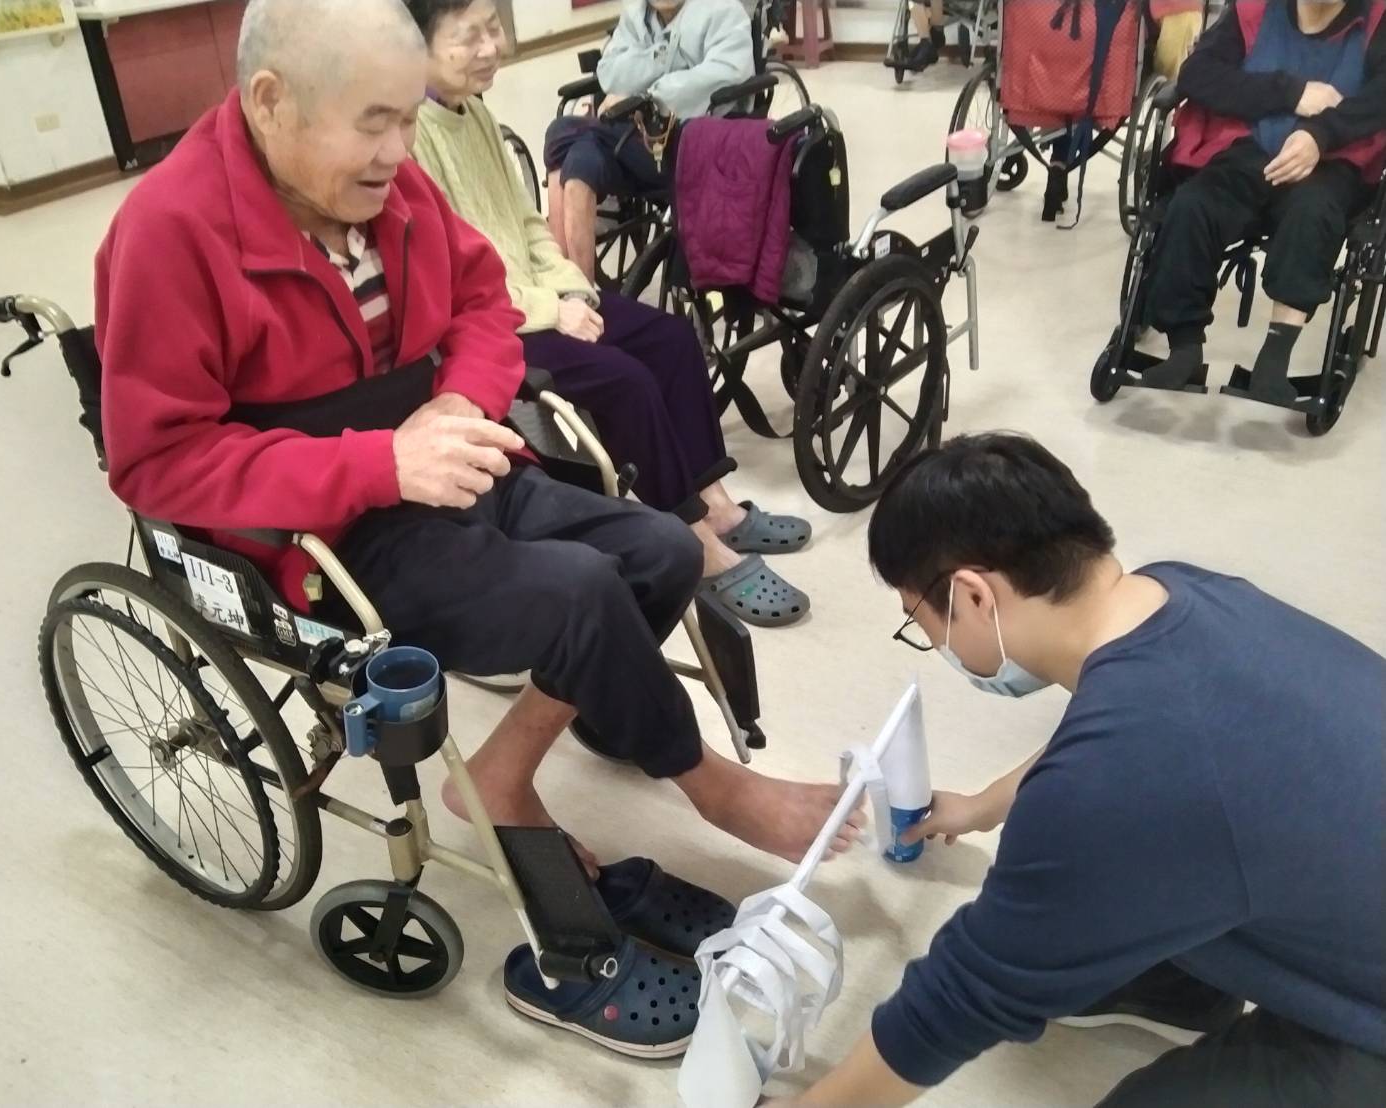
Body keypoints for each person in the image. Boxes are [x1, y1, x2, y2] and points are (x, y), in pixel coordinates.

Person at [95, 0, 861, 894]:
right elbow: (156, 462)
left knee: (660, 550)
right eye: (373, 123)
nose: (397, 151)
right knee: (582, 594)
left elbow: (483, 303)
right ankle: (714, 787)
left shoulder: (391, 187)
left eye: (407, 118)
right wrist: (379, 463)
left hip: (447, 466)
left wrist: (459, 399)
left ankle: (499, 773)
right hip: (321, 541)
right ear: (271, 101)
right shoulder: (170, 232)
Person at [768, 432, 1385, 1106]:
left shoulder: (1113, 781)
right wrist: (982, 805)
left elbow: (960, 998)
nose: (934, 642)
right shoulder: (1175, 593)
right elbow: (1125, 743)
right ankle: (1185, 993)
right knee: (1141, 875)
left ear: (972, 596)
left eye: (921, 621)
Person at [406, 0, 814, 627]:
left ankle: (718, 505)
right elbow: (451, 273)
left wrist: (573, 288)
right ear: (420, 45)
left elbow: (524, 224)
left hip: (538, 297)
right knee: (626, 380)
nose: (493, 48)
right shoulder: (413, 138)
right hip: (489, 324)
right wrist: (549, 308)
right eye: (471, 36)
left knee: (672, 339)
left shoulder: (475, 113)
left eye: (495, 29)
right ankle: (696, 545)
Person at [1141, 0, 1386, 404]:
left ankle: (1275, 358)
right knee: (1192, 205)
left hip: (1335, 157)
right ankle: (1184, 347)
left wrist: (1321, 133)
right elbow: (1197, 74)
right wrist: (1291, 93)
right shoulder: (1253, 9)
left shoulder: (1377, 19)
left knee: (1313, 212)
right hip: (1250, 146)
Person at [543, 0, 755, 275]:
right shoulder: (636, 15)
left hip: (691, 145)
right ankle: (575, 286)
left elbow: (725, 75)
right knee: (579, 159)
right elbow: (610, 73)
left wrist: (648, 96)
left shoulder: (722, 10)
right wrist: (663, 56)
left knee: (561, 132)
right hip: (637, 141)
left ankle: (565, 283)